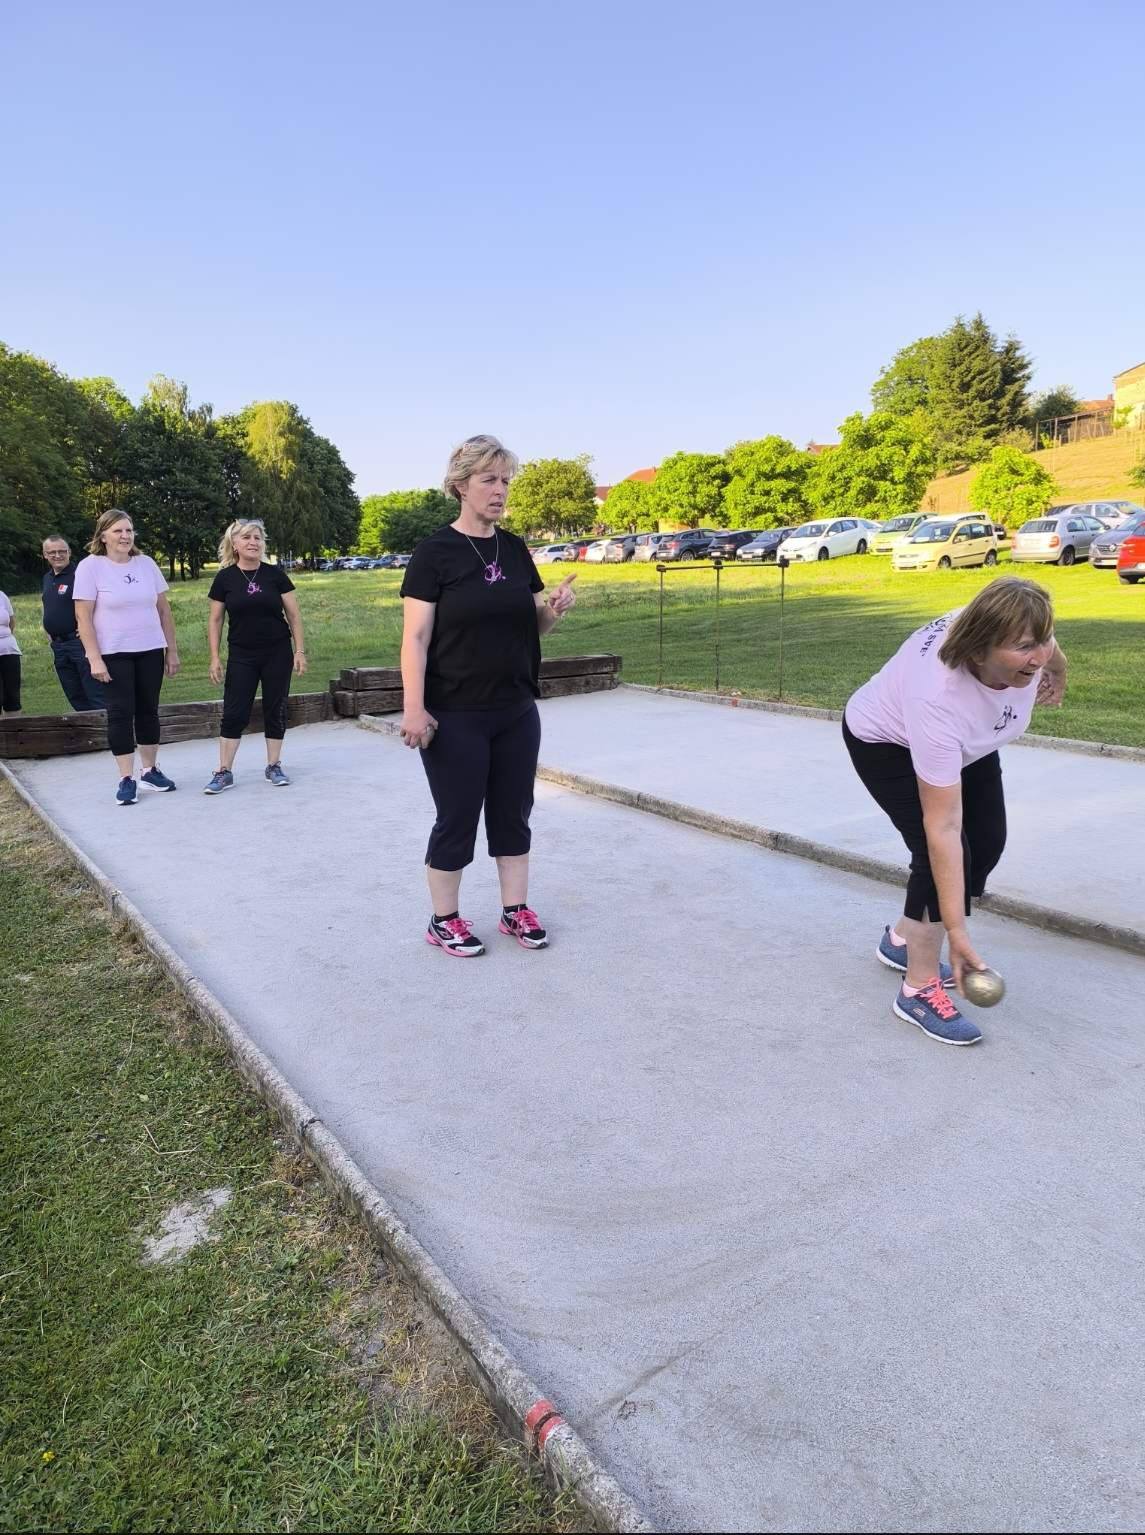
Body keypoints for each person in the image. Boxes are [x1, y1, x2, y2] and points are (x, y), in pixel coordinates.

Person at [843, 577, 1067, 1045]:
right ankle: (918, 988)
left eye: (1041, 641)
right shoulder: (938, 699)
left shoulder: (1013, 627)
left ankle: (903, 940)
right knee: (943, 855)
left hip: (970, 743)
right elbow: (941, 826)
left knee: (986, 843)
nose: (1037, 656)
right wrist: (958, 934)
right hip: (887, 743)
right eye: (1024, 648)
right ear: (979, 649)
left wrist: (1057, 666)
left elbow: (1043, 637)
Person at [398, 434, 577, 957]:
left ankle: (514, 909)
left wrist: (554, 611)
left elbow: (531, 627)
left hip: (516, 709)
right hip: (456, 714)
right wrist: (414, 707)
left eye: (505, 481)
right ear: (460, 485)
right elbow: (415, 638)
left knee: (512, 813)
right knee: (456, 817)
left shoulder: (516, 548)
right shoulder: (435, 554)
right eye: (489, 480)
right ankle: (444, 919)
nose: (500, 491)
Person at [74, 509, 180, 805]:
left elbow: (163, 611)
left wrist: (171, 650)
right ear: (103, 535)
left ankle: (149, 771)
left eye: (129, 530)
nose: (125, 536)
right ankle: (125, 778)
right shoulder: (90, 567)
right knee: (121, 713)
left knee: (149, 710)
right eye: (118, 531)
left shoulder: (146, 564)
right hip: (113, 653)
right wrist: (94, 658)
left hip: (149, 650)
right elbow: (83, 617)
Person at [203, 519, 307, 793]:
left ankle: (274, 765)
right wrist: (215, 657)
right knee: (235, 711)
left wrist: (299, 651)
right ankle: (224, 771)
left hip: (277, 652)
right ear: (234, 544)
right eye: (247, 537)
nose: (253, 542)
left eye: (258, 538)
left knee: (276, 707)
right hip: (242, 654)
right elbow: (215, 620)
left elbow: (294, 615)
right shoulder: (225, 578)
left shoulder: (275, 575)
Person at [41, 534, 106, 712]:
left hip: (79, 643)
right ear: (45, 555)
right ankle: (89, 733)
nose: (57, 555)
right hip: (58, 646)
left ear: (69, 552)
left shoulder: (80, 574)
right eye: (52, 552)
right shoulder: (47, 578)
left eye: (62, 551)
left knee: (95, 692)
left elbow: (100, 603)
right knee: (74, 694)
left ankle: (109, 735)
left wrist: (91, 626)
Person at [0, 588, 22, 715]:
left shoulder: (1, 595)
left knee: (12, 696)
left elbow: (11, 622)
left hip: (9, 650)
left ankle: (15, 732)